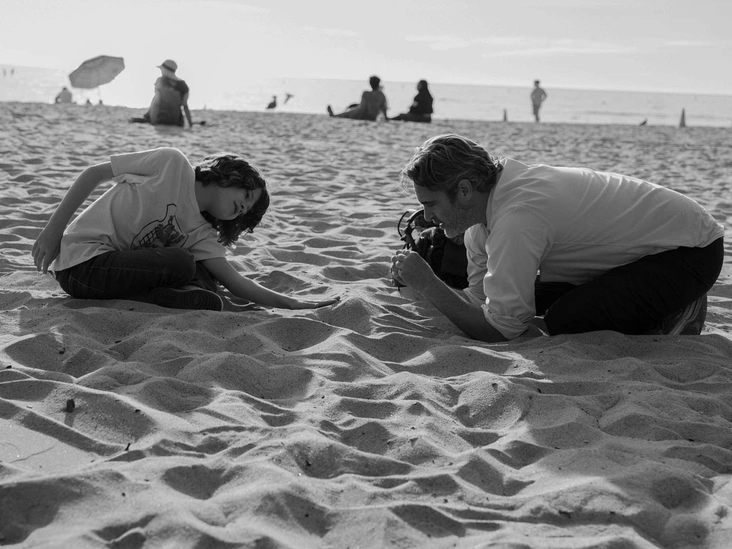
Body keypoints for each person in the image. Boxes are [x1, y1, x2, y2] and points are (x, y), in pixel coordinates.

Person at [391, 134, 724, 343]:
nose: (428, 218)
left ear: (464, 190)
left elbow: (501, 330)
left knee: (564, 320)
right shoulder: (484, 218)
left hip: (689, 251)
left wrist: (429, 284)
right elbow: (481, 302)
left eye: (431, 204)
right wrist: (420, 284)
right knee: (530, 301)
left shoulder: (516, 218)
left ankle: (676, 309)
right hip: (640, 250)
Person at [32, 147, 339, 312]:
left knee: (208, 278)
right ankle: (165, 295)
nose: (242, 209)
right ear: (229, 175)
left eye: (246, 212)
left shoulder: (203, 233)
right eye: (246, 196)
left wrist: (290, 303)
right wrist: (53, 230)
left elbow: (235, 281)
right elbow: (94, 173)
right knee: (182, 262)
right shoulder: (172, 164)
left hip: (115, 274)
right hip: (81, 266)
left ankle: (177, 295)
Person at [130, 60, 193, 127]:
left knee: (133, 120)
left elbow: (156, 103)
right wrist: (190, 123)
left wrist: (153, 121)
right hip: (176, 121)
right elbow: (185, 106)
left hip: (160, 118)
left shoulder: (161, 81)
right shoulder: (183, 85)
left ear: (164, 70)